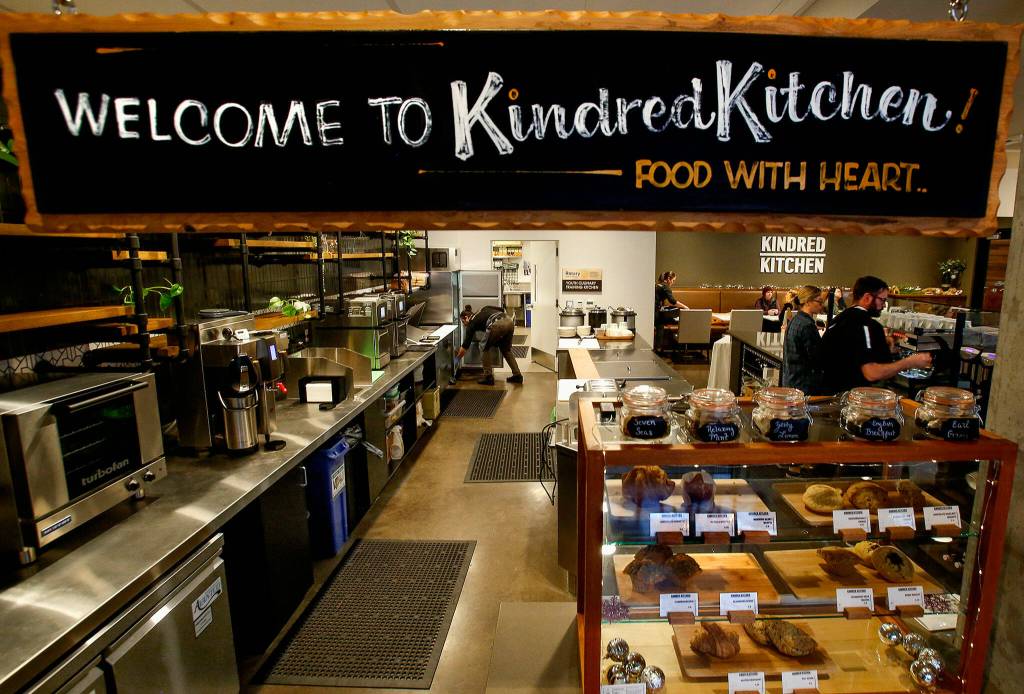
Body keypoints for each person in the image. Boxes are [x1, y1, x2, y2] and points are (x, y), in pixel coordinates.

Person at [818, 275, 931, 394]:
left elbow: (848, 351)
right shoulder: (865, 323)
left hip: (828, 393)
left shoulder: (840, 318)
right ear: (867, 298)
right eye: (882, 300)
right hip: (848, 397)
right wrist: (911, 362)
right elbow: (871, 373)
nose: (884, 305)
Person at [456, 305, 523, 385]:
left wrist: (456, 359)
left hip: (497, 324)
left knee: (482, 347)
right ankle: (517, 375)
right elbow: (501, 309)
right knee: (506, 350)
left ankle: (488, 377)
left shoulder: (471, 324)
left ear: (466, 317)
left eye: (463, 322)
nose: (464, 325)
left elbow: (465, 346)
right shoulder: (484, 308)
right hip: (509, 321)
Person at [781, 286, 826, 394]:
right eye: (819, 301)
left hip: (790, 382)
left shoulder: (795, 320)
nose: (822, 305)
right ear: (808, 302)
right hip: (804, 387)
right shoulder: (807, 325)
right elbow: (817, 358)